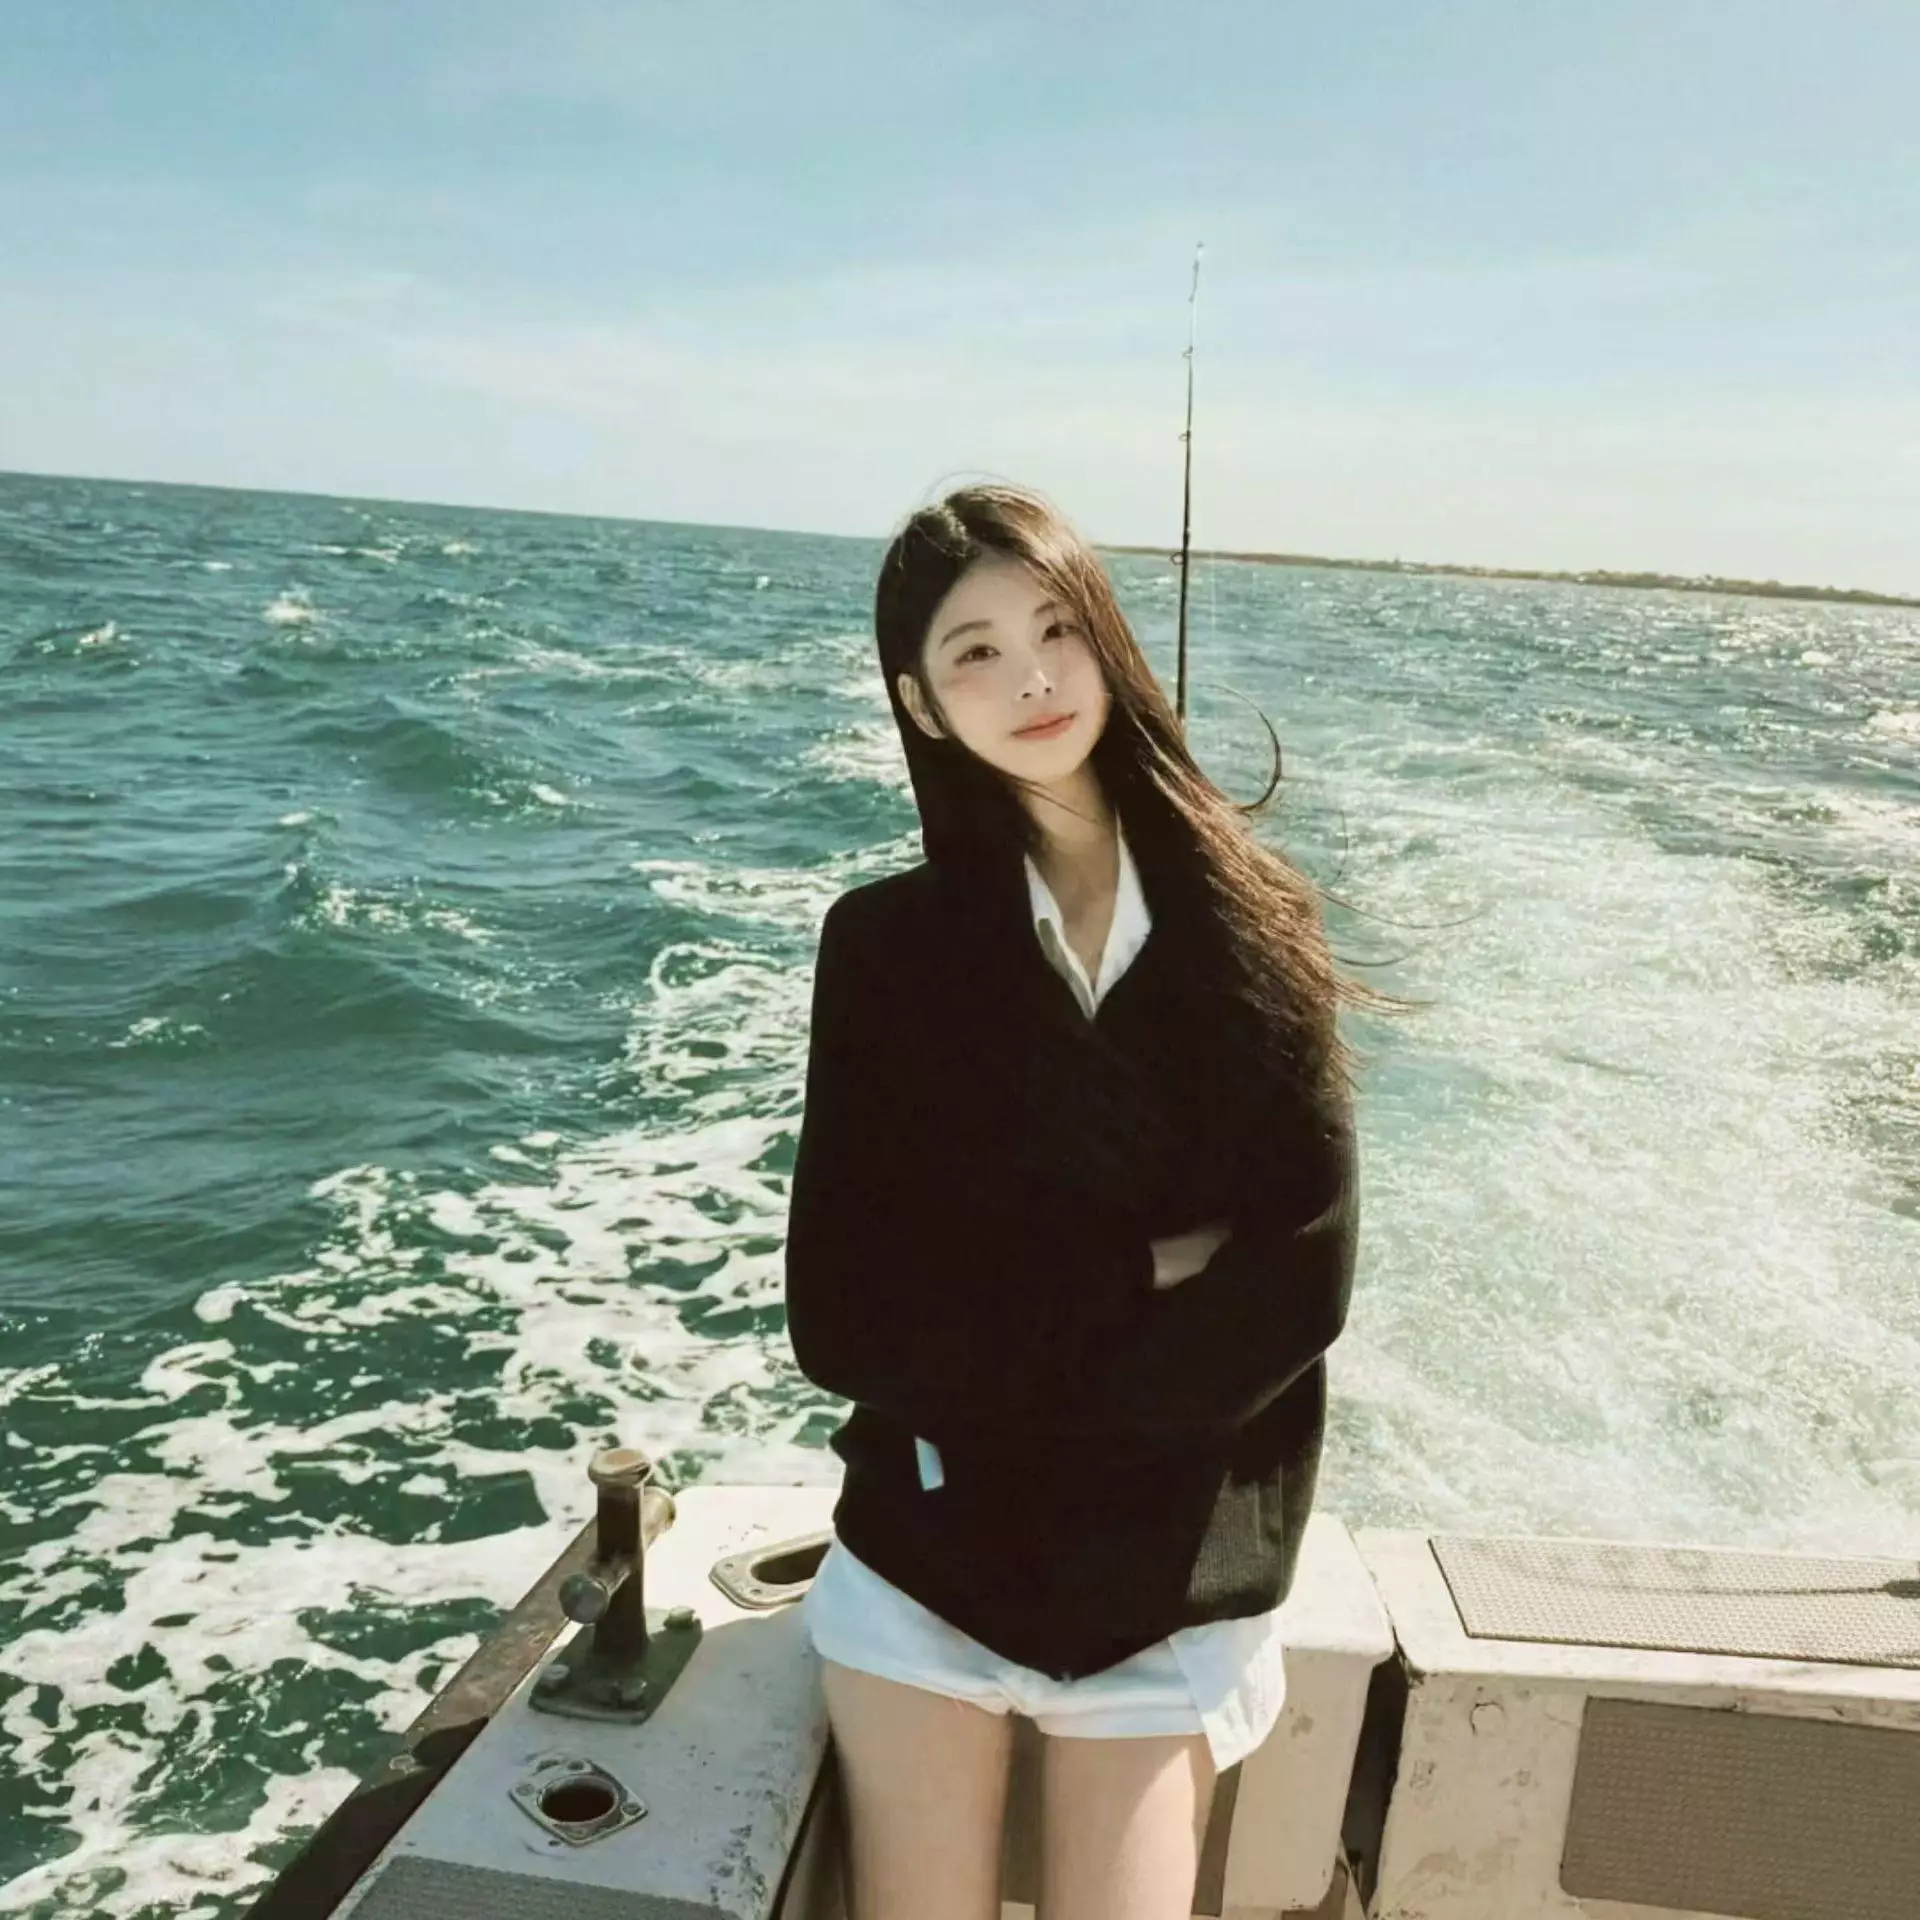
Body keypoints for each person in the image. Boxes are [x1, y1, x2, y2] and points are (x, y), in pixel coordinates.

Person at [784, 483, 1399, 1920]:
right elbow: (843, 1315)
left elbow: (1296, 1286)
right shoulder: (884, 950)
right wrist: (1132, 1272)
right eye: (976, 652)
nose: (1033, 677)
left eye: (1056, 628)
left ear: (1109, 638)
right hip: (932, 1553)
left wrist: (1008, 1332)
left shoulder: (1260, 925)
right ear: (921, 705)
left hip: (1167, 1560)